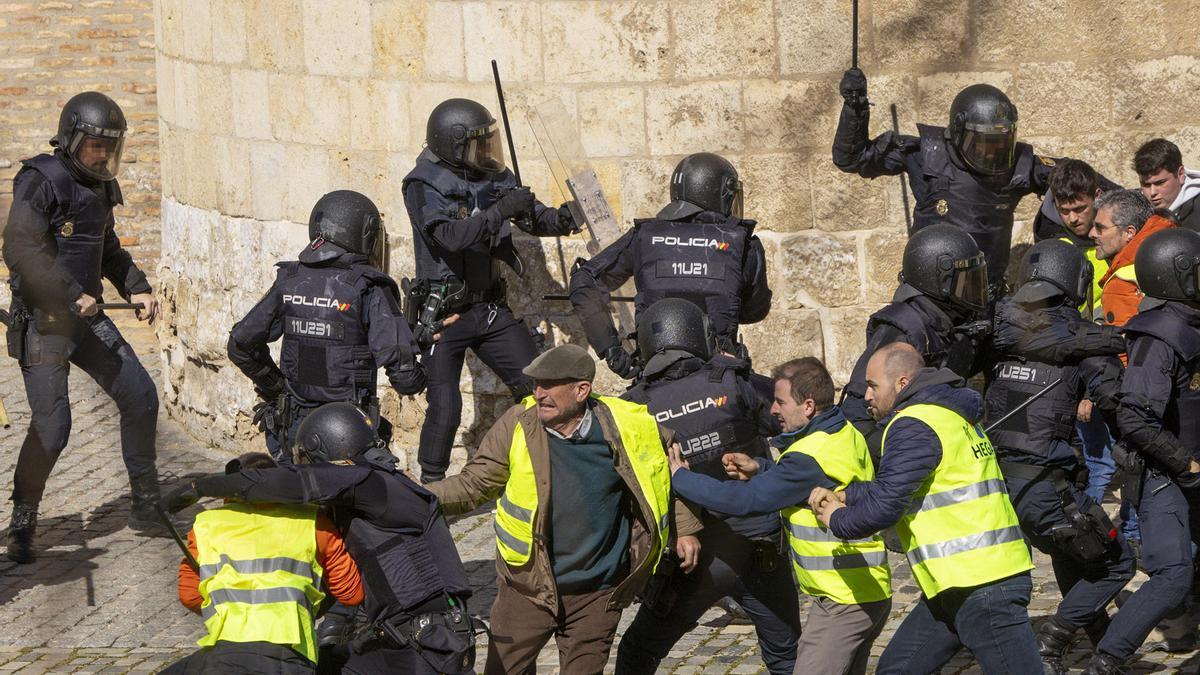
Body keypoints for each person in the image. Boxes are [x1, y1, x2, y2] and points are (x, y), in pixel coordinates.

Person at [425, 343, 698, 674]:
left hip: (598, 592)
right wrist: (410, 495)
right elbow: (473, 485)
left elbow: (667, 470)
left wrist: (685, 529)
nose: (539, 394)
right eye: (536, 385)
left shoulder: (627, 425)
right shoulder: (518, 424)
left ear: (581, 390)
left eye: (549, 385)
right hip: (528, 589)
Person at [165, 403, 476, 674]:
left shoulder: (371, 482)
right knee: (321, 663)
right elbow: (333, 589)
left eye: (309, 460)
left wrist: (202, 487)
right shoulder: (377, 490)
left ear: (326, 450)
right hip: (408, 641)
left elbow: (296, 484)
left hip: (426, 648)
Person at [3, 91, 165, 562]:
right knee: (54, 427)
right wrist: (71, 293)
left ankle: (147, 504)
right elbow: (20, 250)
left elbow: (105, 245)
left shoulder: (99, 187)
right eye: (94, 145)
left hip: (89, 323)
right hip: (46, 321)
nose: (101, 155)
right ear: (72, 138)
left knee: (141, 395)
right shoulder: (40, 181)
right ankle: (23, 518)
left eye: (109, 147)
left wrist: (136, 285)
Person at [812, 342, 1040, 674]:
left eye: (873, 385)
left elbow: (887, 507)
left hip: (984, 585)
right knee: (897, 669)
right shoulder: (945, 415)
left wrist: (836, 518)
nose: (866, 396)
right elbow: (908, 485)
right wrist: (851, 494)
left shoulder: (912, 424)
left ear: (901, 383)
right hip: (955, 584)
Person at [668, 356, 892, 675]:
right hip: (865, 591)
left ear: (809, 406)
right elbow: (816, 479)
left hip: (844, 603)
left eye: (780, 401)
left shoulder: (808, 456)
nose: (773, 410)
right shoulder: (843, 431)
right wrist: (762, 468)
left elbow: (744, 500)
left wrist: (680, 476)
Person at [613, 299, 800, 675]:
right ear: (700, 336)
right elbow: (797, 426)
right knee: (787, 658)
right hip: (760, 548)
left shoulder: (634, 407)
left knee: (637, 654)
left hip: (689, 559)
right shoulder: (734, 383)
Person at [402, 97, 580, 483]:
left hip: (488, 309)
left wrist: (562, 220)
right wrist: (500, 211)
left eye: (488, 141)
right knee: (445, 406)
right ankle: (432, 491)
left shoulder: (493, 175)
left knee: (537, 387)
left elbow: (531, 217)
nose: (486, 151)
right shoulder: (422, 185)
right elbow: (450, 237)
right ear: (452, 144)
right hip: (445, 315)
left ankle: (550, 471)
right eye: (476, 144)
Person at [983, 240, 1133, 674]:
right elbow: (1117, 404)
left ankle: (1107, 647)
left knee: (1072, 555)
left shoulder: (998, 335)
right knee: (1116, 562)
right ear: (1075, 282)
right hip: (1046, 486)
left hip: (1002, 484)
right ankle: (1053, 640)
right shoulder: (1083, 342)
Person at [227, 190, 427, 463]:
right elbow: (405, 380)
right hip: (347, 433)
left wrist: (278, 389)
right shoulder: (368, 287)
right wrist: (426, 350)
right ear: (364, 235)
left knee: (297, 501)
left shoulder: (289, 281)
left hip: (292, 430)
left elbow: (240, 344)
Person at [833, 70, 1059, 292]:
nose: (991, 154)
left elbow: (1075, 179)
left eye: (999, 144)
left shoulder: (1018, 166)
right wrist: (855, 106)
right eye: (983, 144)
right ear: (960, 131)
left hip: (985, 294)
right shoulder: (926, 154)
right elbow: (853, 159)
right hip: (929, 295)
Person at [1091, 228, 1200, 673]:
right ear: (1178, 277)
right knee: (1173, 573)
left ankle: (1183, 635)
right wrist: (1186, 463)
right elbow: (1135, 419)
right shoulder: (1158, 338)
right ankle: (1107, 660)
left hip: (1188, 468)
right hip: (1163, 472)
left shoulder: (1189, 321)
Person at [569, 152, 772, 379]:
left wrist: (612, 351)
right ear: (721, 193)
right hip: (719, 374)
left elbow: (585, 280)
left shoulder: (645, 236)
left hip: (655, 372)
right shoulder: (742, 242)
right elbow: (755, 309)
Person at [166, 452, 363, 675]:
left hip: (225, 652)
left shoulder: (206, 525)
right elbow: (352, 594)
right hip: (292, 657)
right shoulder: (314, 522)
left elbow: (189, 595)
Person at [841, 223, 989, 455]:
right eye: (965, 282)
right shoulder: (904, 329)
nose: (972, 290)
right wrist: (904, 454)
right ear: (940, 281)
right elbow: (858, 411)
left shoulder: (944, 321)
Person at [1092, 189, 1174, 329]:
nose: (1092, 234)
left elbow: (1124, 347)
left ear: (1129, 233)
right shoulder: (1174, 250)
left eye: (1100, 228)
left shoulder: (1122, 283)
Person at [1133, 138, 1200, 231]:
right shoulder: (1136, 206)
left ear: (1180, 174)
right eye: (1146, 185)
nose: (1152, 193)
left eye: (1160, 183)